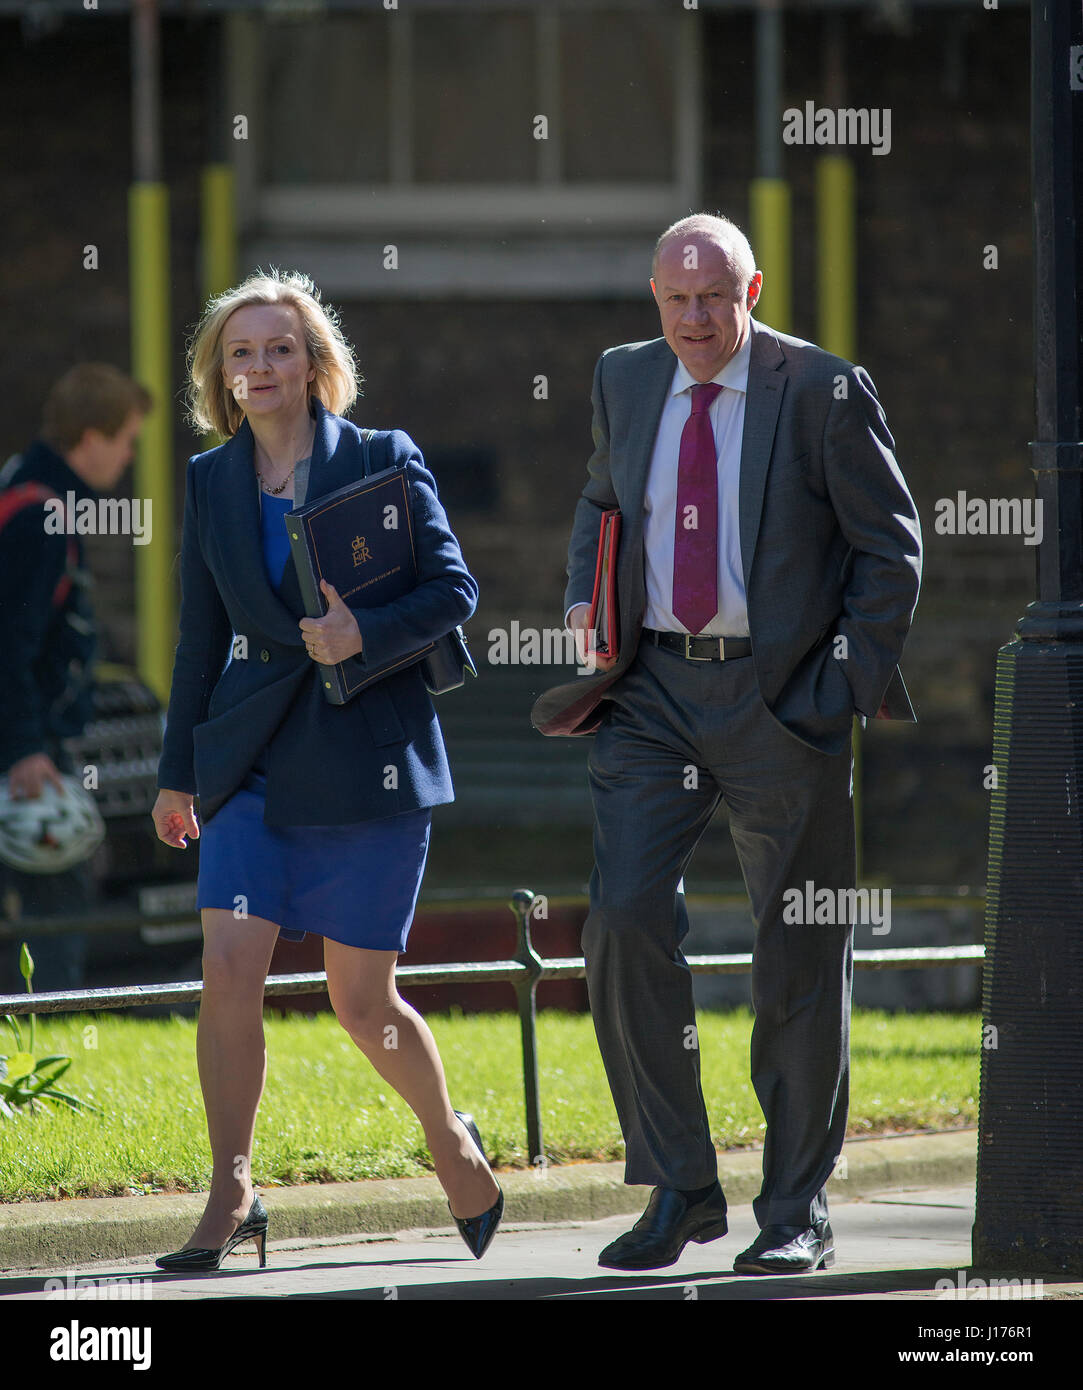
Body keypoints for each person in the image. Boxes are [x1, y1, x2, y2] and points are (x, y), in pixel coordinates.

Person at [532, 213, 922, 1274]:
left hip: (782, 696)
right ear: (654, 299)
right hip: (652, 689)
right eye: (676, 298)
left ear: (750, 293)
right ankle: (679, 1185)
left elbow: (890, 552)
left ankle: (794, 1208)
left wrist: (837, 688)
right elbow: (602, 498)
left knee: (797, 946)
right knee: (619, 918)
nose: (695, 319)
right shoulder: (623, 376)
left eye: (714, 297)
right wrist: (583, 597)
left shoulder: (823, 389)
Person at [151, 268, 502, 1271]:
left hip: (366, 763)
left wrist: (362, 633)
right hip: (252, 759)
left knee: (360, 1002)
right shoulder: (210, 480)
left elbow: (454, 589)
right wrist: (178, 773)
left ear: (313, 365)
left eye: (279, 349)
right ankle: (232, 1190)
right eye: (242, 352)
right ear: (222, 375)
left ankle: (447, 1137)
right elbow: (198, 637)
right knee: (229, 969)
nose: (260, 366)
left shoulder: (383, 458)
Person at [0, 364, 151, 992]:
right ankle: (47, 1030)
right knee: (56, 908)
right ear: (91, 438)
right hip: (25, 751)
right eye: (126, 440)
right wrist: (24, 748)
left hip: (24, 740)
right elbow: (9, 643)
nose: (130, 456)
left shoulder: (20, 486)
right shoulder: (41, 516)